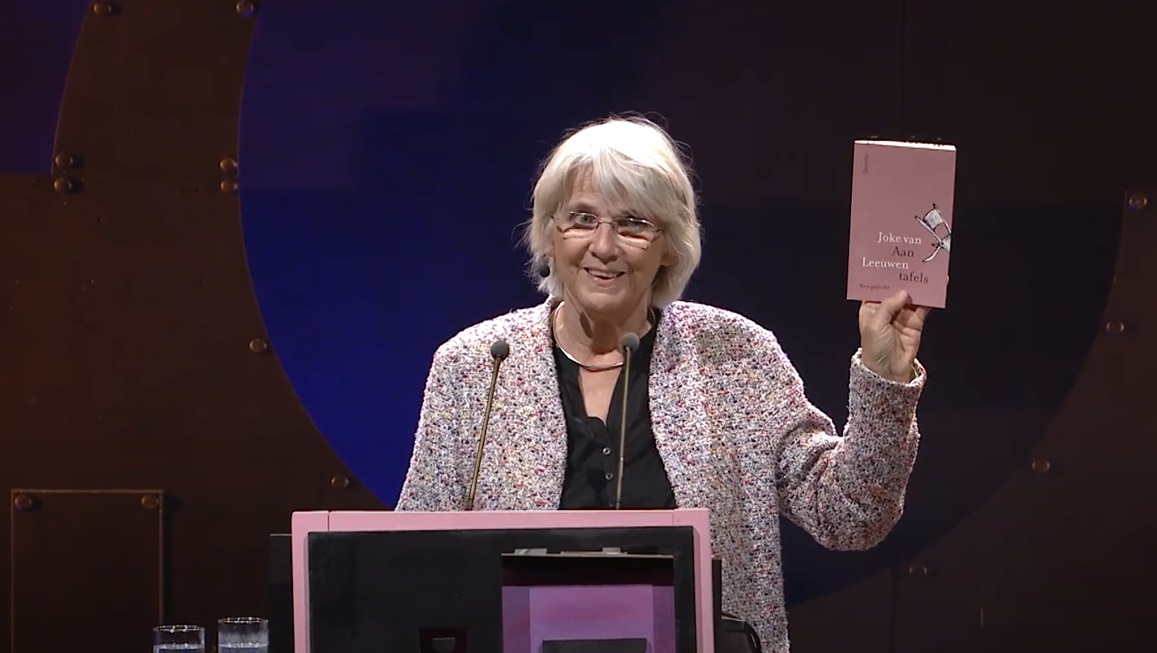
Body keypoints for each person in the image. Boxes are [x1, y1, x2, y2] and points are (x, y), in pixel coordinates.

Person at [396, 115, 930, 652]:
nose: (604, 246)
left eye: (633, 224)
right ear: (550, 235)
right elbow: (408, 566)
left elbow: (850, 516)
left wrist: (884, 379)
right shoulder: (476, 367)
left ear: (669, 245)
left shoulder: (734, 356)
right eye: (582, 219)